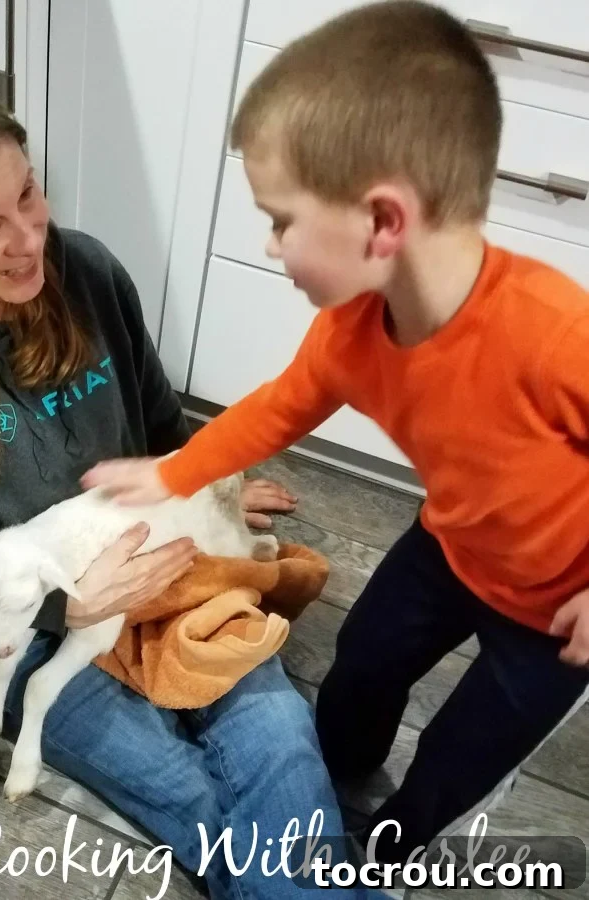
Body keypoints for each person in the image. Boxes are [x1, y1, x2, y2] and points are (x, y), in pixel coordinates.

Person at [0, 70, 377, 898]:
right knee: (191, 795)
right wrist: (60, 606)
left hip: (169, 565)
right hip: (27, 634)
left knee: (281, 730)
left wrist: (205, 486)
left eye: (28, 194)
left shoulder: (88, 273)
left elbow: (154, 418)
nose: (29, 239)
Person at [80, 0, 589, 865]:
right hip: (451, 548)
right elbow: (280, 406)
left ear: (382, 222)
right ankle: (332, 779)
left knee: (462, 753)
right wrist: (173, 474)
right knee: (363, 660)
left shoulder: (552, 332)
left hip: (556, 615)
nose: (272, 246)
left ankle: (387, 851)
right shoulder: (353, 329)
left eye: (281, 218)